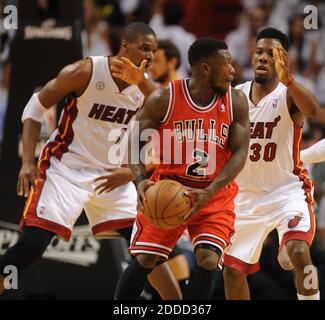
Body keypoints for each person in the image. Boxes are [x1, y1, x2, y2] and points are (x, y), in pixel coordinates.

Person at [0, 22, 158, 295]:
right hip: (66, 167)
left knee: (149, 247)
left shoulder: (145, 88)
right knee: (32, 245)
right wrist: (27, 161)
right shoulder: (85, 70)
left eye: (154, 51)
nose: (150, 56)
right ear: (124, 45)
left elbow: (166, 116)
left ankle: (180, 303)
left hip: (110, 174)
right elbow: (35, 106)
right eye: (144, 48)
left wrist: (133, 172)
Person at [114, 38, 251, 300]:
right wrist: (141, 179)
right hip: (168, 186)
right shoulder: (164, 98)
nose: (233, 71)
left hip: (214, 194)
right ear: (205, 68)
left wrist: (210, 191)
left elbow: (240, 153)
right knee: (145, 258)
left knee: (208, 260)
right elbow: (135, 143)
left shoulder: (236, 101)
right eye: (227, 65)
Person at [223, 27, 320, 300]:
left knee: (300, 253)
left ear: (283, 58)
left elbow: (312, 110)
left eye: (270, 53)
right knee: (232, 272)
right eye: (259, 52)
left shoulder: (289, 94)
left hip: (285, 192)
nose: (263, 58)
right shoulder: (235, 96)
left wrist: (289, 81)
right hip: (243, 197)